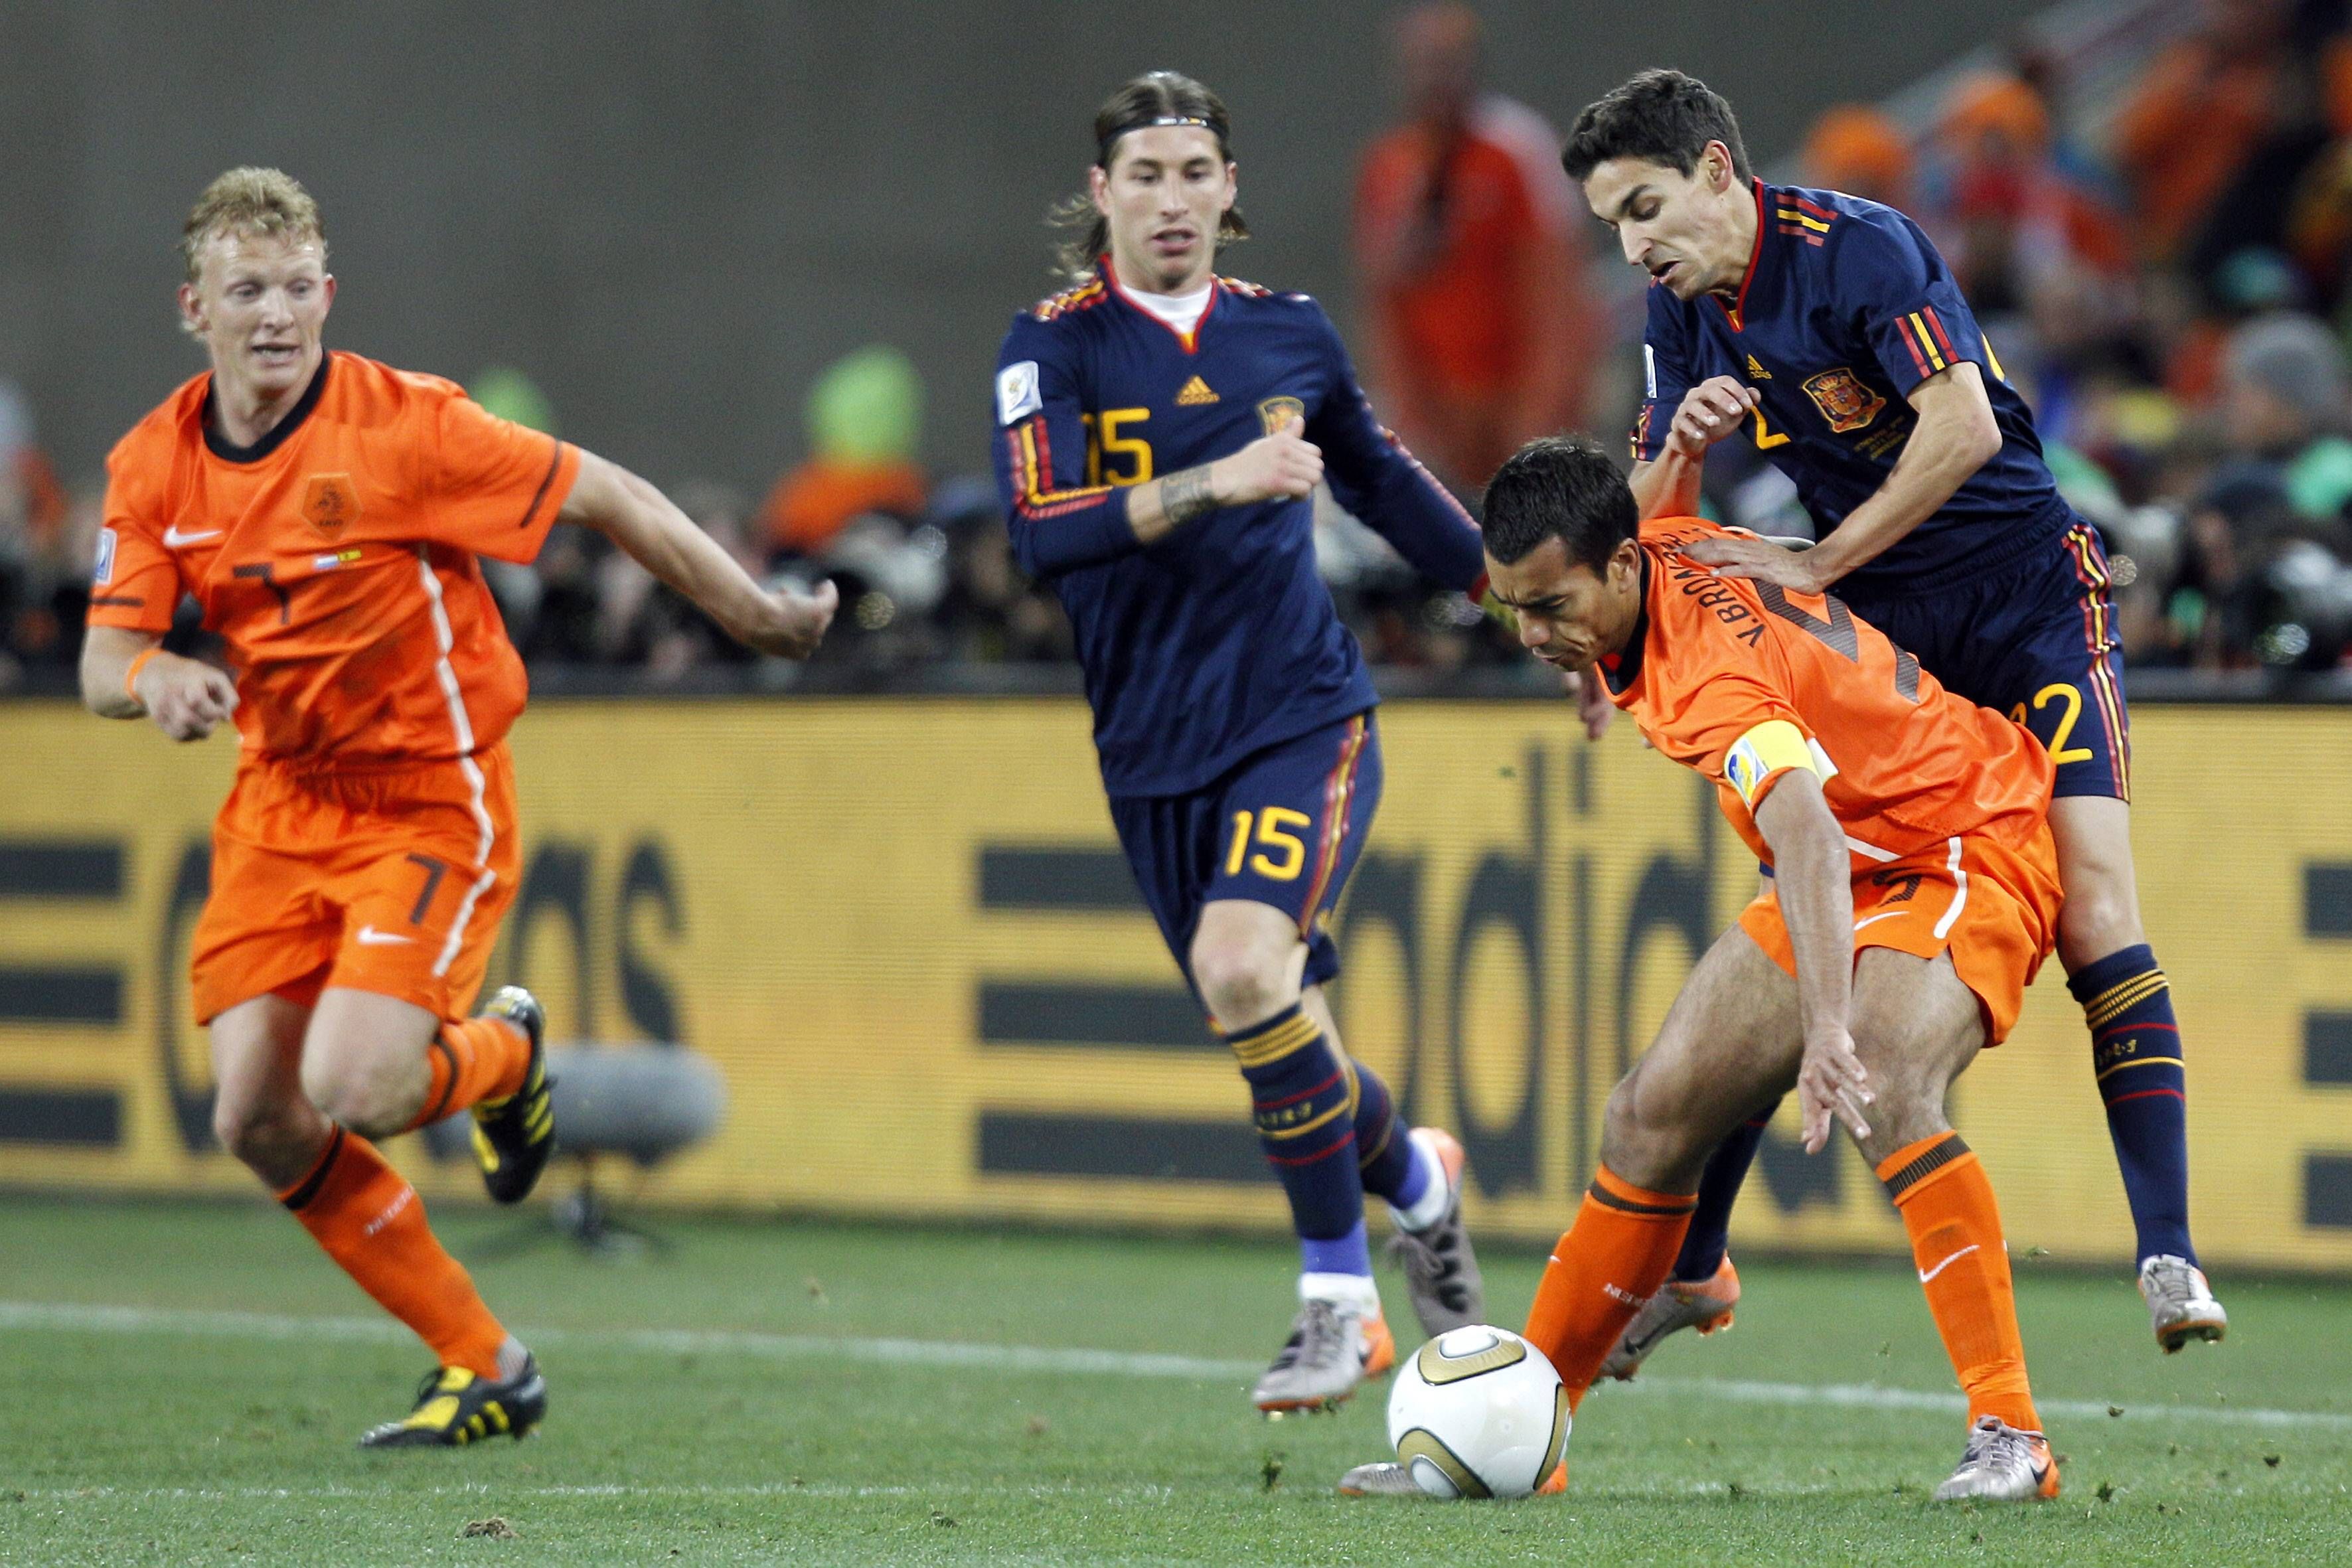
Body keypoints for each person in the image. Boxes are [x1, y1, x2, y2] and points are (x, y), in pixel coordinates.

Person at [80, 168, 835, 1447]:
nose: (274, 314)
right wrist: (157, 677)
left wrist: (753, 613)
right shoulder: (154, 462)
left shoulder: (406, 429)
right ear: (191, 307)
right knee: (256, 1118)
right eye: (244, 289)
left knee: (356, 1083)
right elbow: (106, 662)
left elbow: (612, 496)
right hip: (278, 800)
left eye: (295, 287)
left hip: (428, 795)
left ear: (330, 293)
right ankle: (484, 1360)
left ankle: (506, 1057)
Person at [1559, 70, 2223, 1369]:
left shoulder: (1856, 248)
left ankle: (2166, 1247)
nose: (1634, 246)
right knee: (1798, 929)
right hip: (1892, 631)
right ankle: (1695, 1267)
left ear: (1711, 171)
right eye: (1610, 228)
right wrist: (1676, 451)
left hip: (2023, 597)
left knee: (2093, 905)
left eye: (1643, 208)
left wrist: (1815, 561)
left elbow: (1963, 426)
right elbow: (1627, 525)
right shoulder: (1677, 308)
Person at [1347, 436, 2068, 1501]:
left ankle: (2012, 1434)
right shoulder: (1651, 547)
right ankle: (1524, 1430)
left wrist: (1824, 1030)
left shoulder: (1708, 678)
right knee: (1649, 1113)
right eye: (1511, 609)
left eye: (1551, 606)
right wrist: (1678, 441)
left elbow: (1810, 836)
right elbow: (1650, 508)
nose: (1535, 636)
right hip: (1853, 850)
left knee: (1882, 1081)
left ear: (1622, 568)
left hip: (1956, 834)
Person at [991, 71, 1491, 1414]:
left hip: (1299, 716)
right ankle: (1419, 1182)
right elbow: (1040, 534)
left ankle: (1337, 1303)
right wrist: (1219, 478)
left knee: (1236, 962)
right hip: (1150, 746)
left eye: (1193, 173)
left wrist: (1517, 596)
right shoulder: (1049, 349)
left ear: (1228, 190)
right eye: (1143, 175)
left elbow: (1383, 481)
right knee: (1270, 1013)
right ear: (1102, 195)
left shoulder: (1291, 336)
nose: (1170, 199)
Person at [1352, 3, 1595, 492]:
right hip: (1441, 420)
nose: (1433, 79)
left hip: (1516, 404)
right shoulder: (1387, 168)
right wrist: (1405, 418)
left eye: (1445, 62)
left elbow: (1559, 297)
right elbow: (1383, 305)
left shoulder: (1515, 151)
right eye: (1421, 64)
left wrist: (1541, 423)